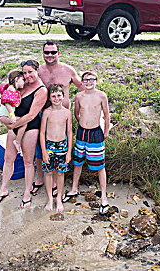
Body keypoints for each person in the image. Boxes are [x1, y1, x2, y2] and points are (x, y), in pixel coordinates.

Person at [30, 41, 84, 196]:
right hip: (43, 114)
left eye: (53, 52)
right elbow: (26, 86)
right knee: (41, 149)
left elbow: (82, 89)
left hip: (63, 116)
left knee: (60, 146)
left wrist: (84, 109)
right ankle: (40, 179)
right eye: (47, 52)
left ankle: (55, 181)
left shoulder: (68, 70)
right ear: (43, 54)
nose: (50, 55)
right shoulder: (38, 71)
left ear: (58, 53)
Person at [0, 60, 48, 209]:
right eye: (24, 73)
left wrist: (12, 125)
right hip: (15, 125)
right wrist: (8, 123)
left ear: (37, 71)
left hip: (30, 127)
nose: (27, 75)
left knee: (28, 162)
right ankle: (3, 189)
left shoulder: (41, 90)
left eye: (30, 72)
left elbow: (31, 115)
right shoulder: (21, 85)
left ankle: (27, 194)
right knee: (8, 158)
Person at [63, 71, 111, 215]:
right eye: (85, 80)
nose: (88, 82)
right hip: (81, 133)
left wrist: (106, 132)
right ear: (82, 82)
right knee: (78, 162)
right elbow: (76, 113)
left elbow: (107, 115)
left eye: (91, 79)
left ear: (96, 81)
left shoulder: (101, 95)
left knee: (100, 165)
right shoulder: (79, 96)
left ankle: (103, 196)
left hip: (96, 133)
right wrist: (83, 123)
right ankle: (74, 189)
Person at [39, 84, 72, 212]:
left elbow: (69, 133)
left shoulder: (67, 113)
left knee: (60, 173)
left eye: (59, 95)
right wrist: (44, 151)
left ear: (63, 96)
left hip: (62, 146)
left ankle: (58, 197)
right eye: (53, 96)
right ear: (50, 98)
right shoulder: (47, 112)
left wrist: (68, 152)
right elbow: (42, 133)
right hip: (49, 146)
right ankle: (49, 199)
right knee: (48, 172)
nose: (56, 98)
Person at [0, 70, 26, 155]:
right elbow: (7, 102)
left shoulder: (13, 90)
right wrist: (12, 114)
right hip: (6, 115)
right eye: (23, 79)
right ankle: (17, 142)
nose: (24, 82)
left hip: (4, 115)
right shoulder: (11, 89)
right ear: (16, 79)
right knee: (24, 122)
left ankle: (17, 140)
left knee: (20, 123)